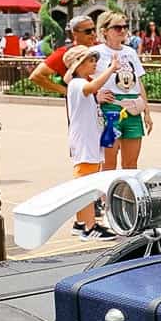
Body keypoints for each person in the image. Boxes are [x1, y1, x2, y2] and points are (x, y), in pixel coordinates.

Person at [61, 45, 119, 240]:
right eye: (90, 61)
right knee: (86, 185)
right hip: (85, 142)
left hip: (88, 141)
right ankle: (89, 226)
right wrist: (112, 68)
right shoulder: (77, 83)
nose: (94, 63)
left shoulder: (79, 83)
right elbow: (92, 88)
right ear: (78, 65)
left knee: (86, 183)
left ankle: (81, 223)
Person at [94, 11, 152, 170]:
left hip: (133, 109)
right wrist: (95, 95)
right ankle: (106, 195)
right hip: (111, 110)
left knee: (131, 164)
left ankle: (126, 194)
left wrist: (147, 111)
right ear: (105, 30)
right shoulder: (97, 52)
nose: (123, 31)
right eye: (117, 27)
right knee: (108, 163)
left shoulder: (130, 52)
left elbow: (138, 82)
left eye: (125, 27)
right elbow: (79, 77)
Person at [28, 16, 98, 95]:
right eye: (88, 31)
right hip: (82, 102)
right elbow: (36, 76)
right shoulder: (66, 53)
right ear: (75, 33)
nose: (93, 34)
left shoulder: (100, 46)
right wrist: (66, 91)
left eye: (94, 30)